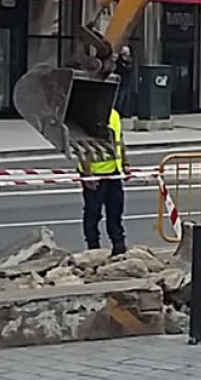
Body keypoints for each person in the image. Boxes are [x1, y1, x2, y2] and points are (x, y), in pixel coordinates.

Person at [82, 108, 127, 254]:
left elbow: (119, 140)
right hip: (95, 174)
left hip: (114, 172)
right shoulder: (89, 114)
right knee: (93, 214)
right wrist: (88, 174)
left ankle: (119, 246)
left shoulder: (114, 114)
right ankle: (93, 249)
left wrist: (125, 163)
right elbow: (82, 146)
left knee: (115, 212)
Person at [114, 46, 136, 118]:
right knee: (120, 97)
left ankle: (127, 113)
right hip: (121, 80)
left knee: (127, 97)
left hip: (127, 81)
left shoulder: (130, 60)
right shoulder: (119, 60)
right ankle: (119, 112)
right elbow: (120, 69)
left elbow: (129, 69)